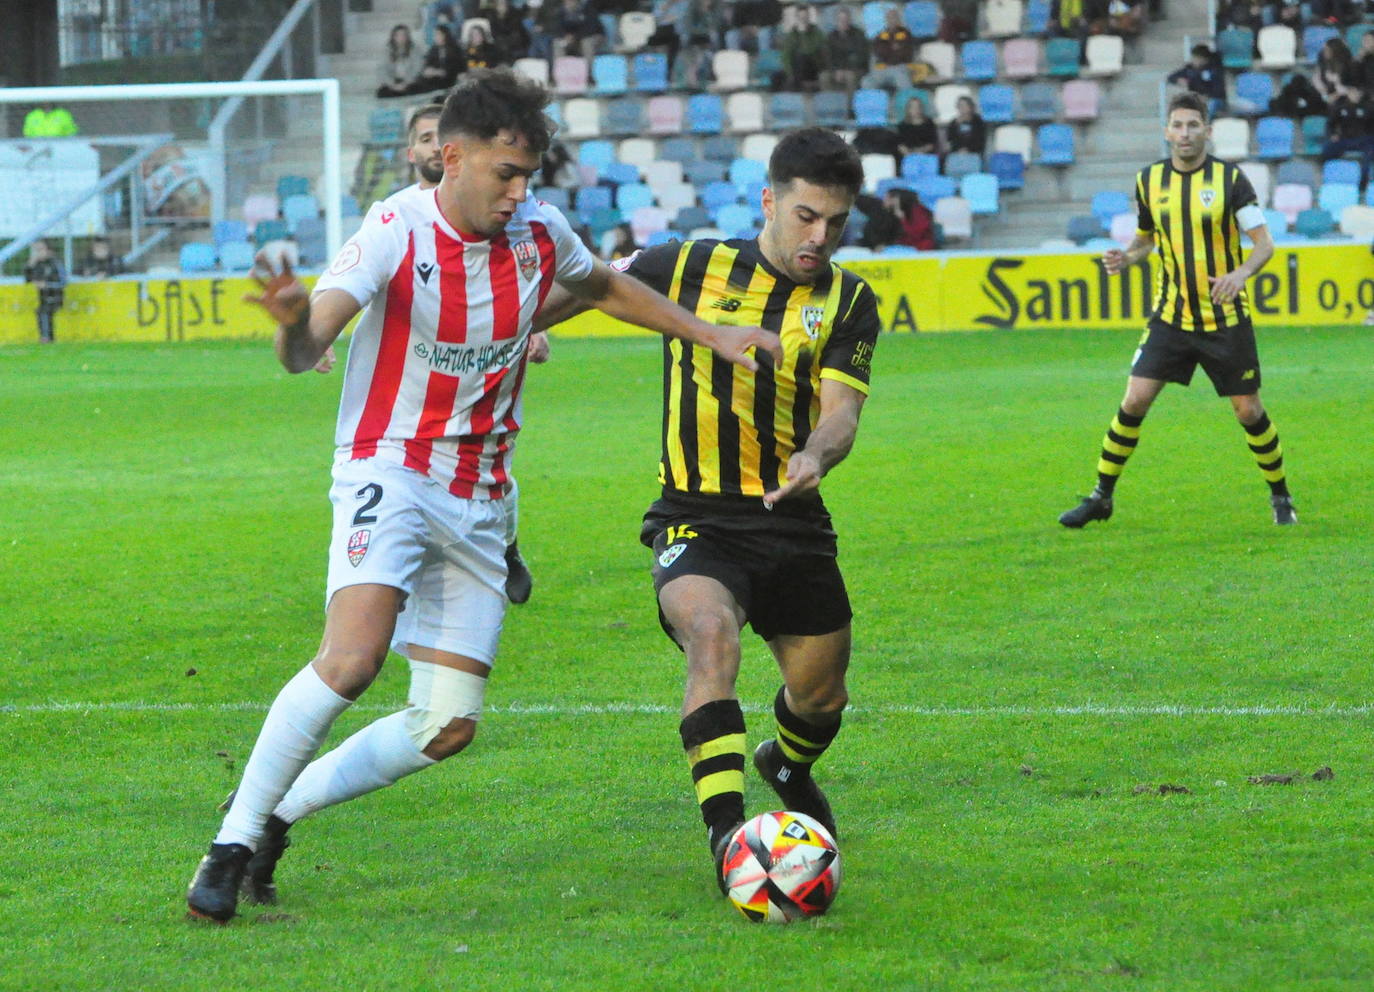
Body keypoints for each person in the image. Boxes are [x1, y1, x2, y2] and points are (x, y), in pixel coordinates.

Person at [184, 68, 782, 924]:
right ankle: (229, 842)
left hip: (481, 496)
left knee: (446, 725)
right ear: (451, 159)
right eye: (505, 173)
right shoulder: (394, 227)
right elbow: (310, 337)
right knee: (352, 658)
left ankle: (279, 814)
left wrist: (711, 333)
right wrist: (290, 324)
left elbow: (605, 286)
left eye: (528, 175)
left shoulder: (539, 230)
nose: (519, 191)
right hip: (388, 465)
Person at [535, 127, 881, 892]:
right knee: (709, 633)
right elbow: (593, 282)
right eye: (805, 216)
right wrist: (523, 328)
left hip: (793, 519)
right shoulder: (688, 263)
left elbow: (842, 415)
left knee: (822, 695)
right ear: (769, 201)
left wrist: (815, 457)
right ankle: (730, 839)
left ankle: (784, 765)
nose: (819, 237)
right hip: (695, 515)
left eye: (836, 223)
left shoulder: (850, 301)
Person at [1058, 92, 1296, 529]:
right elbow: (1146, 238)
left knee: (1248, 412)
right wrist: (1127, 258)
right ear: (1167, 131)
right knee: (1134, 400)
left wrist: (1240, 274)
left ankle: (1280, 496)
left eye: (1193, 125)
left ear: (1208, 131)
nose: (1185, 133)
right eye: (1178, 125)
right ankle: (1101, 497)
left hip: (1224, 319)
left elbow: (1264, 244)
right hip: (1171, 317)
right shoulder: (1148, 181)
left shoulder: (1230, 180)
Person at [1320, 86, 1374, 187]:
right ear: (1348, 93)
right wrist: (1332, 134)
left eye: (1358, 92)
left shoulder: (1368, 107)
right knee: (1327, 148)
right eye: (1353, 92)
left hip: (1363, 140)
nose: (1355, 95)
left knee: (1369, 153)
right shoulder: (1341, 107)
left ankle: (1362, 182)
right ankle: (1331, 176)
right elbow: (1330, 124)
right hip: (1344, 139)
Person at [861, 5, 916, 91]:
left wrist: (889, 51)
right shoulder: (880, 35)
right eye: (889, 18)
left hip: (900, 68)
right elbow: (879, 52)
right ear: (886, 20)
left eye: (894, 18)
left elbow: (907, 54)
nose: (892, 21)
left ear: (899, 20)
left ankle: (906, 102)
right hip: (883, 69)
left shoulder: (907, 34)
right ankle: (875, 103)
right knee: (866, 82)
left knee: (904, 81)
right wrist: (894, 49)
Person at [1166, 44, 1227, 118]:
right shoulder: (1190, 69)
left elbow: (1218, 89)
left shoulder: (1215, 70)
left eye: (1197, 58)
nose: (1194, 61)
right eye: (1193, 58)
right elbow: (1171, 77)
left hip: (1214, 99)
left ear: (1204, 59)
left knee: (1210, 105)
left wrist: (1207, 96)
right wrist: (1178, 80)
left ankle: (1206, 123)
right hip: (1196, 98)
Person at [24, 239, 66, 344]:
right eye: (36, 250)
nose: (38, 253)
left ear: (49, 250)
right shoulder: (37, 264)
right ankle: (48, 337)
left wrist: (47, 285)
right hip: (43, 297)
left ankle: (45, 337)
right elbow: (27, 280)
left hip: (56, 295)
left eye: (41, 249)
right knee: (42, 310)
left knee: (44, 311)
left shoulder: (56, 263)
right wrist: (29, 266)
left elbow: (63, 282)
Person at [821, 6, 869, 97]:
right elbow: (827, 57)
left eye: (846, 19)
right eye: (840, 19)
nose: (843, 22)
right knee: (823, 76)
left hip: (855, 69)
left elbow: (860, 56)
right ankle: (831, 104)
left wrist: (845, 70)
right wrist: (836, 70)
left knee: (850, 77)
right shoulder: (830, 37)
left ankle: (849, 108)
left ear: (850, 20)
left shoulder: (858, 35)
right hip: (836, 69)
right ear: (836, 21)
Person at [780, 4, 826, 91]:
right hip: (797, 68)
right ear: (797, 18)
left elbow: (814, 50)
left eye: (805, 17)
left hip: (814, 66)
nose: (803, 19)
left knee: (802, 56)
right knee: (777, 77)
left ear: (809, 17)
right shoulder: (792, 34)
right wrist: (789, 73)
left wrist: (804, 34)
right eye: (801, 17)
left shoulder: (817, 32)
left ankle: (797, 84)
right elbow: (786, 55)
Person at [375, 24, 420, 98]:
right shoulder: (387, 50)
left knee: (416, 89)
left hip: (409, 81)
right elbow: (381, 69)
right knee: (382, 93)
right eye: (398, 35)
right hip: (393, 81)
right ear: (394, 37)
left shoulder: (415, 49)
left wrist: (406, 83)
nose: (401, 38)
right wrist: (392, 84)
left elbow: (417, 68)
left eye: (404, 35)